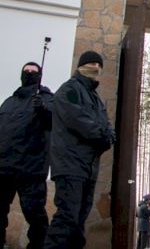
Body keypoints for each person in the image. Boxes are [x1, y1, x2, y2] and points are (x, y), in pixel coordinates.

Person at [44, 50, 115, 249]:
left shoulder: (95, 98)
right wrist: (103, 135)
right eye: (92, 64)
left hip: (88, 167)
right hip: (70, 165)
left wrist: (109, 136)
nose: (96, 68)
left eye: (99, 65)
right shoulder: (70, 90)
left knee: (78, 222)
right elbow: (79, 120)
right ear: (81, 66)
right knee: (67, 218)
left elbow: (107, 124)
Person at [0, 62, 52, 249]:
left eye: (33, 71)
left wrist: (44, 109)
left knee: (35, 214)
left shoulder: (46, 98)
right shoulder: (9, 101)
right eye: (26, 71)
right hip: (4, 167)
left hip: (31, 169)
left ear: (40, 76)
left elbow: (57, 122)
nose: (29, 73)